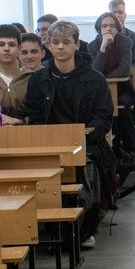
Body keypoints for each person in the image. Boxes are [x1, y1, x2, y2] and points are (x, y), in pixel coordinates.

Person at [25, 21, 113, 248]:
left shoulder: (95, 79)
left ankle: (84, 229)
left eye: (66, 42)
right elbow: (34, 117)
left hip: (86, 143)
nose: (60, 47)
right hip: (48, 145)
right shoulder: (38, 80)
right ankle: (53, 229)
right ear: (48, 45)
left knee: (88, 168)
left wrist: (81, 137)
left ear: (76, 44)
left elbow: (103, 118)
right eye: (55, 42)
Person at [88, 12, 135, 157]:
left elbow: (124, 69)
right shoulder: (93, 45)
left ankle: (131, 149)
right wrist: (103, 47)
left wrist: (104, 79)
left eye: (112, 26)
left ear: (118, 28)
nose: (108, 29)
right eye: (104, 26)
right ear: (99, 29)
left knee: (122, 106)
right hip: (99, 90)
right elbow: (94, 71)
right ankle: (107, 149)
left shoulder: (125, 42)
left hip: (122, 88)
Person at [0, 24, 33, 126]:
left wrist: (20, 121)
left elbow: (42, 114)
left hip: (30, 134)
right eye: (1, 44)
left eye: (11, 44)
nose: (6, 49)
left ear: (19, 48)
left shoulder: (33, 78)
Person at [109, 0, 135, 75]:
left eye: (120, 12)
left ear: (125, 16)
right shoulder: (101, 37)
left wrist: (120, 71)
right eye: (114, 12)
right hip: (106, 79)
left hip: (128, 78)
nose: (117, 15)